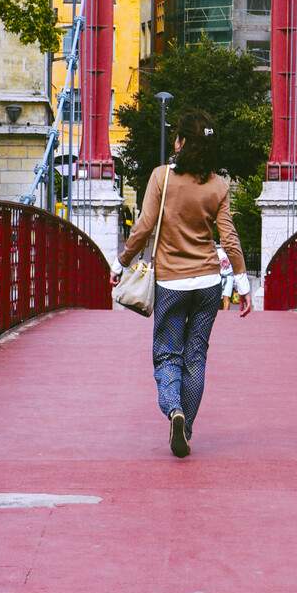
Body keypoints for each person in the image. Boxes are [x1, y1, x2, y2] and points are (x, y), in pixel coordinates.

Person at [118, 108, 251, 457]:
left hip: (171, 284)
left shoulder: (161, 178)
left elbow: (144, 226)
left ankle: (173, 408)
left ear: (180, 142)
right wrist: (242, 282)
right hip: (208, 283)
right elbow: (230, 238)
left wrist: (122, 261)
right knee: (196, 357)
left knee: (167, 355)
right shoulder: (218, 186)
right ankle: (186, 426)